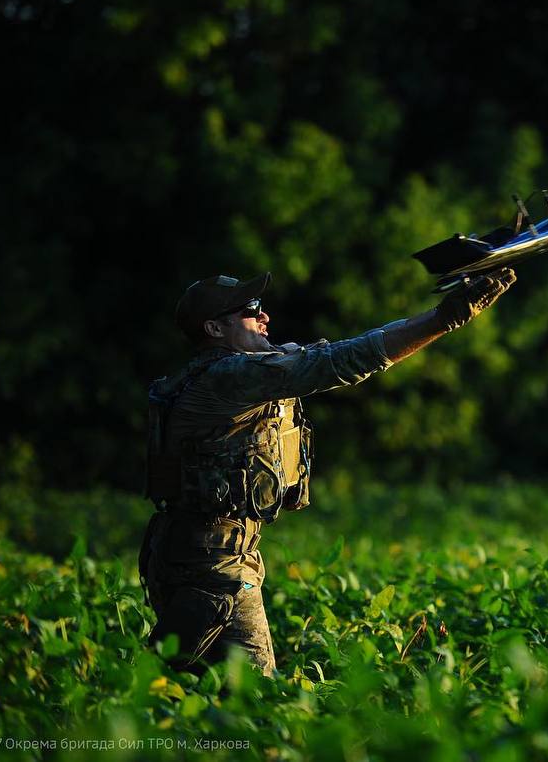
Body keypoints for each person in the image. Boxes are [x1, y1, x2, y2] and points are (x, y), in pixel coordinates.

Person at [139, 268, 516, 675]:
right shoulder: (231, 376)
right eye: (250, 310)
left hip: (199, 553)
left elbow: (329, 352)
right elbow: (342, 359)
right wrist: (442, 319)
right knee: (255, 701)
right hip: (212, 565)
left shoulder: (230, 373)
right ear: (214, 327)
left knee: (188, 691)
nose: (264, 316)